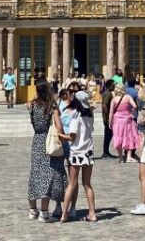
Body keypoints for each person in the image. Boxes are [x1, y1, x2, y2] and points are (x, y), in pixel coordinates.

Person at [27, 81, 68, 222]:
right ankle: (44, 212)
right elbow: (59, 126)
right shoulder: (52, 106)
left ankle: (33, 210)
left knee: (35, 174)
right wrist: (63, 139)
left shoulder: (31, 105)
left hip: (36, 140)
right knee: (47, 177)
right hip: (48, 140)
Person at [57, 91, 97, 223]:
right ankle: (92, 213)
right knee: (87, 184)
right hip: (88, 152)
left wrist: (59, 135)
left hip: (76, 153)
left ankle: (64, 214)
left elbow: (71, 137)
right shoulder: (90, 116)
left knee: (72, 183)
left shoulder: (76, 118)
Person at [109, 85, 139, 163]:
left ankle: (121, 158)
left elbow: (111, 112)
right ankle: (128, 157)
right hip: (127, 119)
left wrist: (110, 122)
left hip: (117, 120)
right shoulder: (128, 97)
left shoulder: (114, 99)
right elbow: (135, 106)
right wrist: (131, 111)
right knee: (128, 137)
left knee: (118, 137)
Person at [100, 80, 116, 159]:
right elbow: (104, 105)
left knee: (109, 135)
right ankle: (105, 153)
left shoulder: (108, 93)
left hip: (107, 118)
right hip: (107, 119)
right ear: (109, 86)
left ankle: (106, 152)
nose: (114, 86)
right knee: (108, 135)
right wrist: (108, 116)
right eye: (113, 85)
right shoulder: (108, 94)